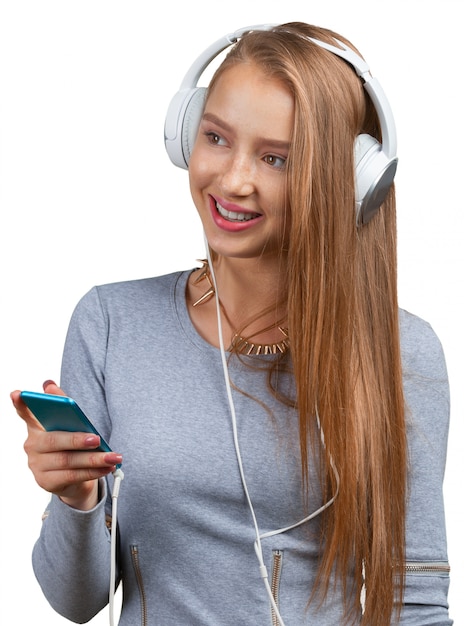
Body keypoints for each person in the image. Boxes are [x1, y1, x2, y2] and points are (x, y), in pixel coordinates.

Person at [11, 22, 452, 626]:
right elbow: (76, 601)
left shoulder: (399, 352)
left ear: (349, 181)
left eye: (275, 158)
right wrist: (77, 498)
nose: (233, 179)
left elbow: (416, 603)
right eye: (216, 137)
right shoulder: (111, 323)